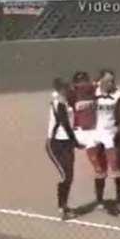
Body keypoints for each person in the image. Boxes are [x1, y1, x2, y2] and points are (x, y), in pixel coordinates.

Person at [88, 69, 120, 214]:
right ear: (100, 81)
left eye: (112, 80)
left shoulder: (119, 95)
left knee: (119, 168)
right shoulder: (92, 93)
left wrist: (113, 132)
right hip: (97, 136)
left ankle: (119, 200)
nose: (111, 83)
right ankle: (100, 200)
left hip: (114, 135)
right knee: (99, 169)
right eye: (107, 80)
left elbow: (119, 117)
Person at [45, 77, 81, 220]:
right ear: (61, 90)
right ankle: (62, 209)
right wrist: (76, 141)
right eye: (66, 88)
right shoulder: (58, 104)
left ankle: (64, 206)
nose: (70, 90)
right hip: (55, 144)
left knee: (69, 176)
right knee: (65, 176)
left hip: (67, 144)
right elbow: (65, 124)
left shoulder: (66, 103)